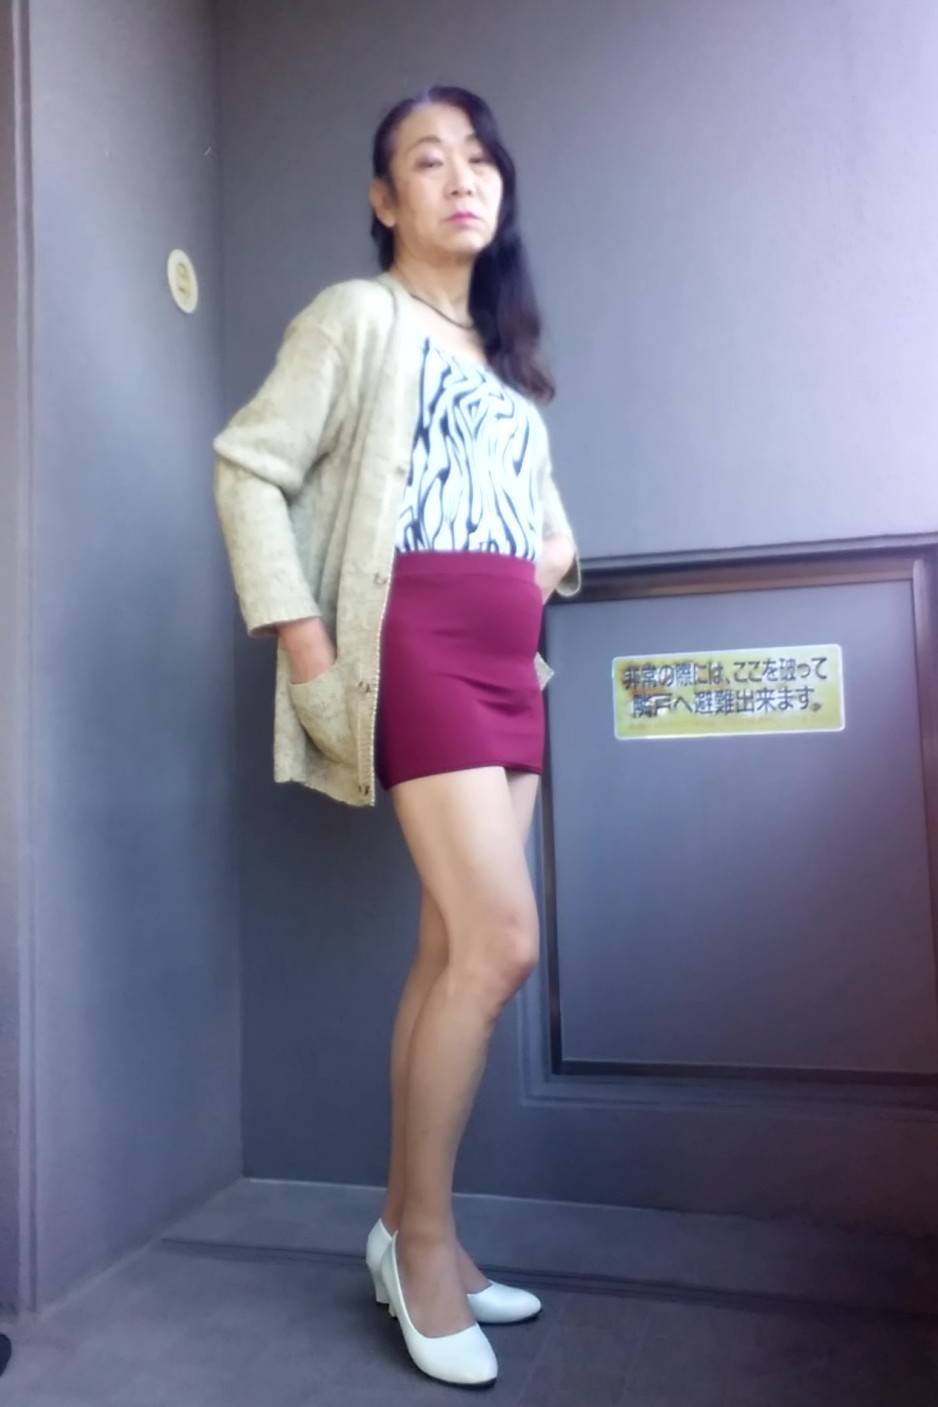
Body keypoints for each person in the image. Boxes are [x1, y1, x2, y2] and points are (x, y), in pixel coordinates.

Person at [212, 85, 581, 1389]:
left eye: (479, 157)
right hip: (414, 640)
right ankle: (418, 1250)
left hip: (508, 660)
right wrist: (306, 645)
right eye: (427, 161)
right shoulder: (356, 316)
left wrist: (551, 557)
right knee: (500, 943)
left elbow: (536, 517)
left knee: (448, 948)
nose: (460, 178)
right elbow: (248, 466)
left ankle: (414, 1229)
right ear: (385, 199)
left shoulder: (499, 356)